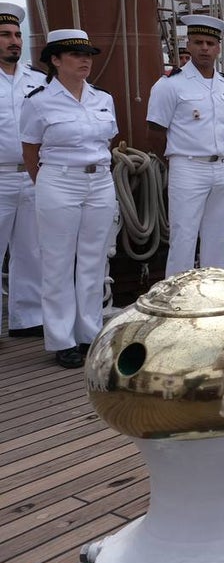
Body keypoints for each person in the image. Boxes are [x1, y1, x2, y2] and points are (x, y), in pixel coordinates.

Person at [19, 30, 117, 368]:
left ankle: (90, 333)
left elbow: (108, 143)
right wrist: (46, 183)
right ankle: (62, 340)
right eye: (75, 54)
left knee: (93, 260)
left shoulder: (102, 98)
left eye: (88, 54)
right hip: (59, 181)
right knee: (58, 262)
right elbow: (30, 149)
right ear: (55, 61)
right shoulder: (38, 100)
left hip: (100, 182)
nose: (85, 60)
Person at [146, 14, 224, 277]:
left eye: (210, 43)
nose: (205, 48)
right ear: (188, 45)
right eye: (198, 42)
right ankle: (178, 303)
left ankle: (214, 299)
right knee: (184, 238)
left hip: (222, 167)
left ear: (218, 47)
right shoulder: (170, 86)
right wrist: (177, 162)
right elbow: (154, 132)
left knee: (219, 239)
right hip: (187, 167)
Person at [0, 3, 44, 339]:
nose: (14, 41)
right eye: (5, 35)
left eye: (16, 35)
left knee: (30, 249)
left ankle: (27, 318)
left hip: (31, 175)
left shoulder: (38, 81)